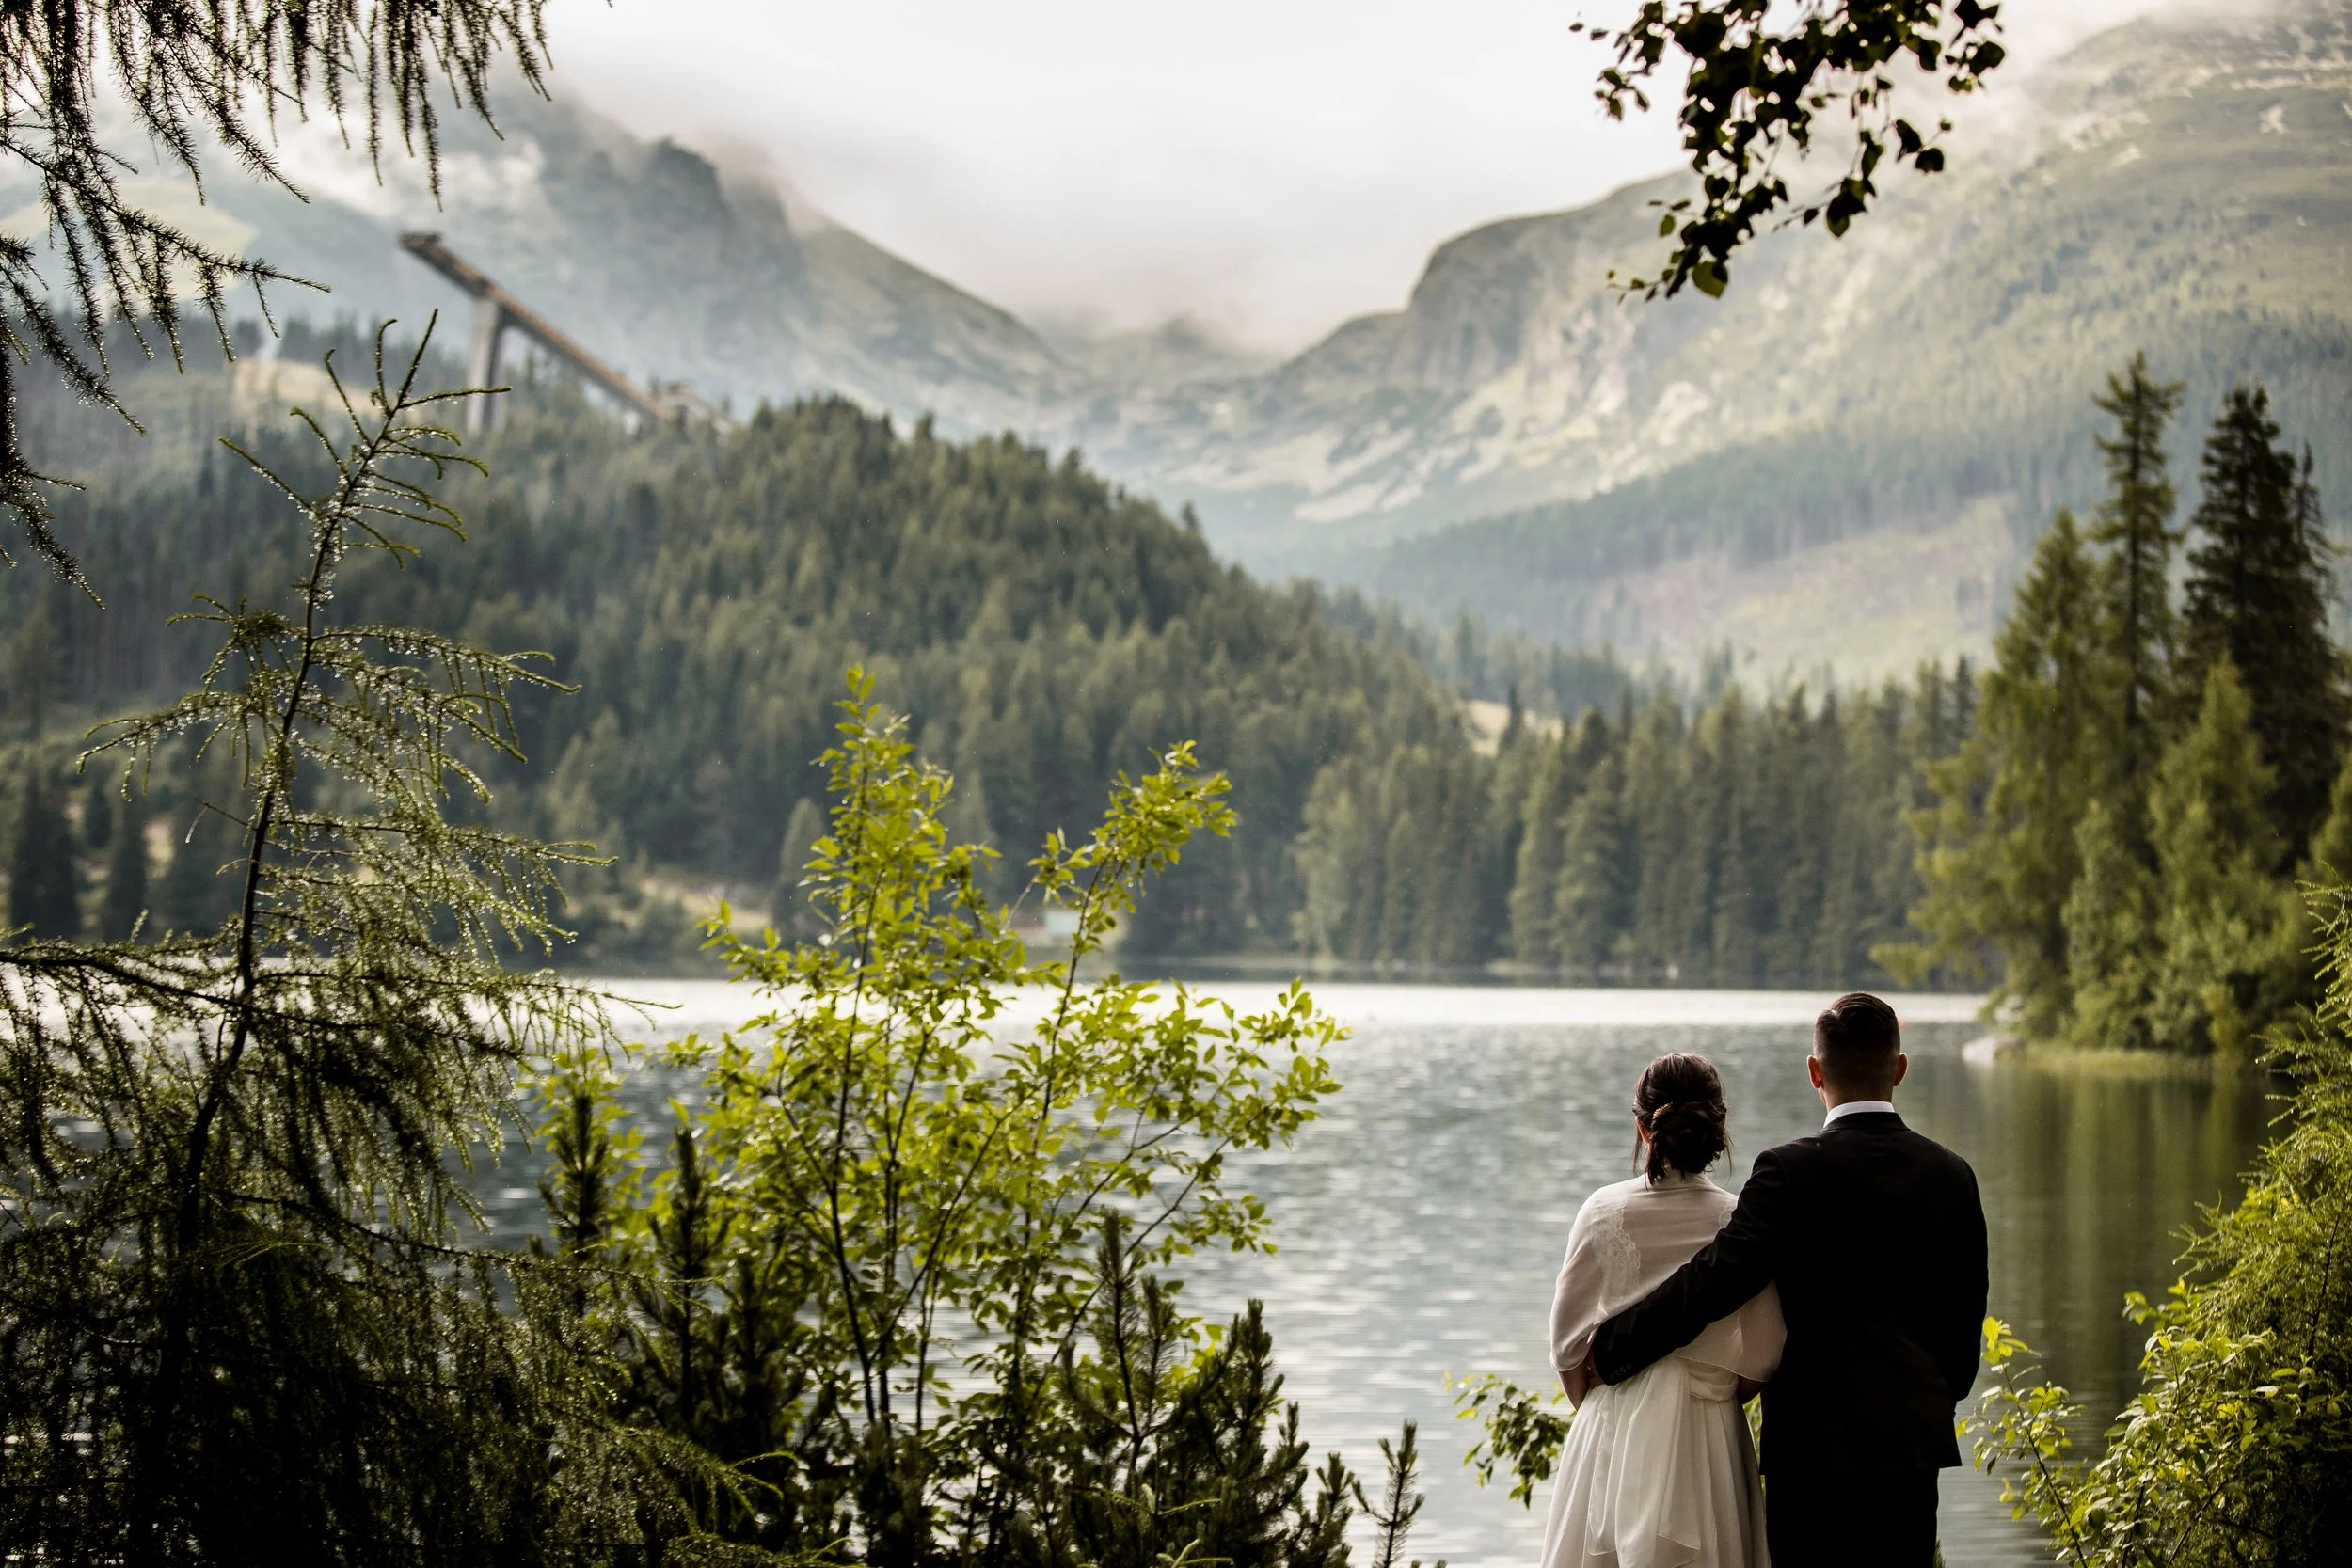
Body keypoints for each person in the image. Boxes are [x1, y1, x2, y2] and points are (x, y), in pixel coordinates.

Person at [1589, 992, 1989, 1567]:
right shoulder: (1953, 1175)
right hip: (1910, 1444)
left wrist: (1618, 1347)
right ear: (1900, 1068)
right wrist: (1923, 1401)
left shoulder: (1789, 1171)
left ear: (1813, 1072)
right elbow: (1963, 1322)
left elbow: (1715, 1280)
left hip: (1813, 1451)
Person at [1543, 1052, 1781, 1568]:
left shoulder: (1602, 1212)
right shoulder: (1739, 1221)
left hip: (1613, 1425)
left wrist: (1604, 1402)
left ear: (1642, 1127)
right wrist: (1716, 1390)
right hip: (1708, 1435)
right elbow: (1764, 1353)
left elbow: (1565, 1347)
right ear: (1720, 1124)